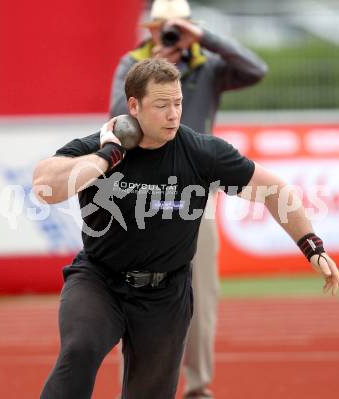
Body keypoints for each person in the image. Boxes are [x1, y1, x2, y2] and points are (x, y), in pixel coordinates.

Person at [34, 58, 339, 399]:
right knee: (80, 349)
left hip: (165, 293)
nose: (173, 114)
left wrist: (311, 245)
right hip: (99, 280)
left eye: (178, 103)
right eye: (162, 105)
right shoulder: (102, 145)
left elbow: (275, 191)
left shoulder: (199, 151)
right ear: (133, 105)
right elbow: (45, 187)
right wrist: (107, 156)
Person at [109, 1, 268, 396]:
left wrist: (205, 39)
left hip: (197, 190)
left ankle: (198, 387)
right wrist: (147, 77)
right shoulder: (132, 62)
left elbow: (255, 70)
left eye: (176, 28)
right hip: (142, 192)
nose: (170, 36)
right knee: (136, 292)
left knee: (201, 294)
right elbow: (115, 116)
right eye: (163, 28)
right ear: (150, 29)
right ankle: (137, 387)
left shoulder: (206, 65)